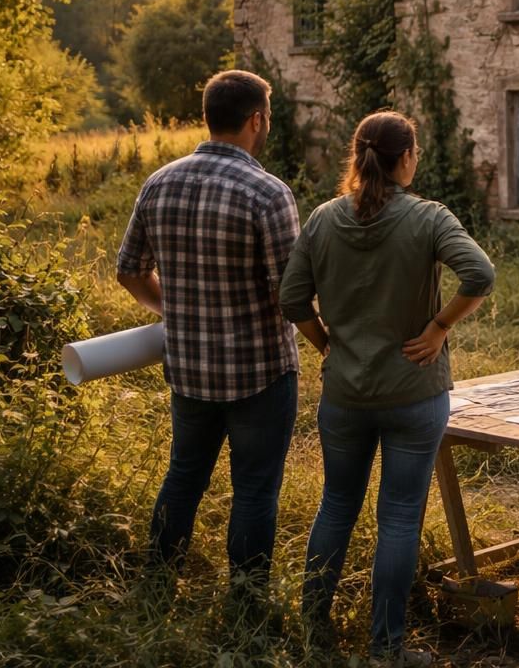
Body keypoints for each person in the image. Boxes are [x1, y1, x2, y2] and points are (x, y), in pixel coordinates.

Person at [281, 110, 495, 665]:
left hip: (345, 395)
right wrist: (438, 327)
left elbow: (291, 299)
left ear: (356, 157)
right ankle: (386, 648)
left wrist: (326, 342)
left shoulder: (324, 219)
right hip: (414, 392)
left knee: (336, 507)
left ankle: (314, 633)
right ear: (406, 159)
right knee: (398, 516)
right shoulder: (428, 218)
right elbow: (481, 274)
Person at [116, 70, 301, 610]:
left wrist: (172, 308)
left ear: (207, 117)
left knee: (183, 477)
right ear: (256, 120)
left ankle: (157, 588)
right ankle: (244, 605)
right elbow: (289, 292)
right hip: (259, 373)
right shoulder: (268, 192)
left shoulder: (159, 182)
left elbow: (129, 270)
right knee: (255, 490)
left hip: (189, 370)